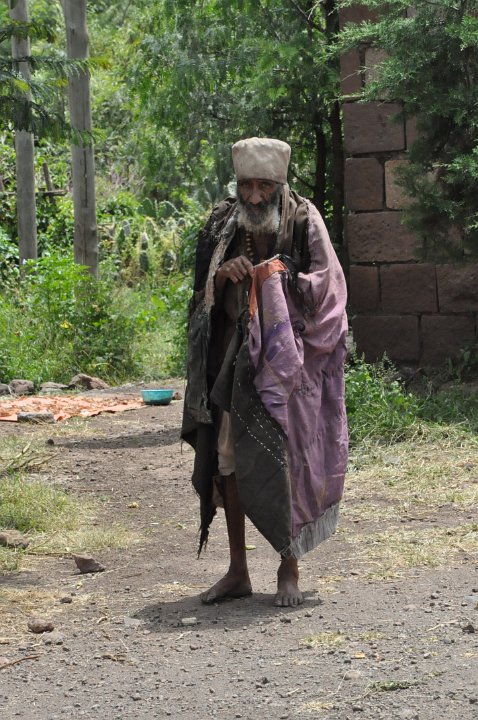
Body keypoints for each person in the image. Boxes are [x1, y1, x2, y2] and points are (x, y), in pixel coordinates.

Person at [181, 137, 348, 607]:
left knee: (287, 460)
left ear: (280, 184)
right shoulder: (220, 222)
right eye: (246, 186)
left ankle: (288, 568)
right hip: (230, 364)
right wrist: (222, 276)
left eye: (264, 187)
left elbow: (330, 289)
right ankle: (238, 571)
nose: (254, 197)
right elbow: (200, 294)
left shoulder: (304, 218)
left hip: (287, 371)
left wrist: (278, 277)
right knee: (229, 461)